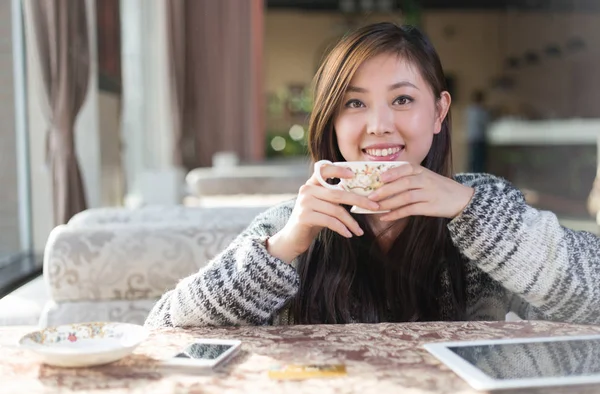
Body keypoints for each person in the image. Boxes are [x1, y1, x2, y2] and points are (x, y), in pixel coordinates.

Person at [145, 23, 600, 329]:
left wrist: (470, 209)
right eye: (354, 103)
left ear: (439, 112)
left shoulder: (483, 208)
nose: (379, 124)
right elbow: (164, 328)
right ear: (331, 120)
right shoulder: (294, 223)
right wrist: (283, 247)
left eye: (402, 100)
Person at [465, 90, 490, 173]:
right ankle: (478, 176)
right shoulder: (481, 111)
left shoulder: (469, 110)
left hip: (472, 137)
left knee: (473, 160)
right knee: (479, 161)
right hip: (479, 138)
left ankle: (472, 176)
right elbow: (485, 123)